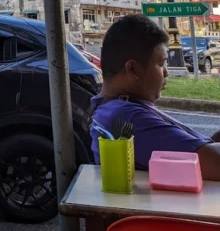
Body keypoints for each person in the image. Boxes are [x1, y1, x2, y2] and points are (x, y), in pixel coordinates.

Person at [91, 14, 220, 180]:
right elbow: (213, 162)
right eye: (161, 64)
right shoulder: (126, 119)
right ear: (133, 69)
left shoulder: (118, 108)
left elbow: (197, 146)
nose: (166, 73)